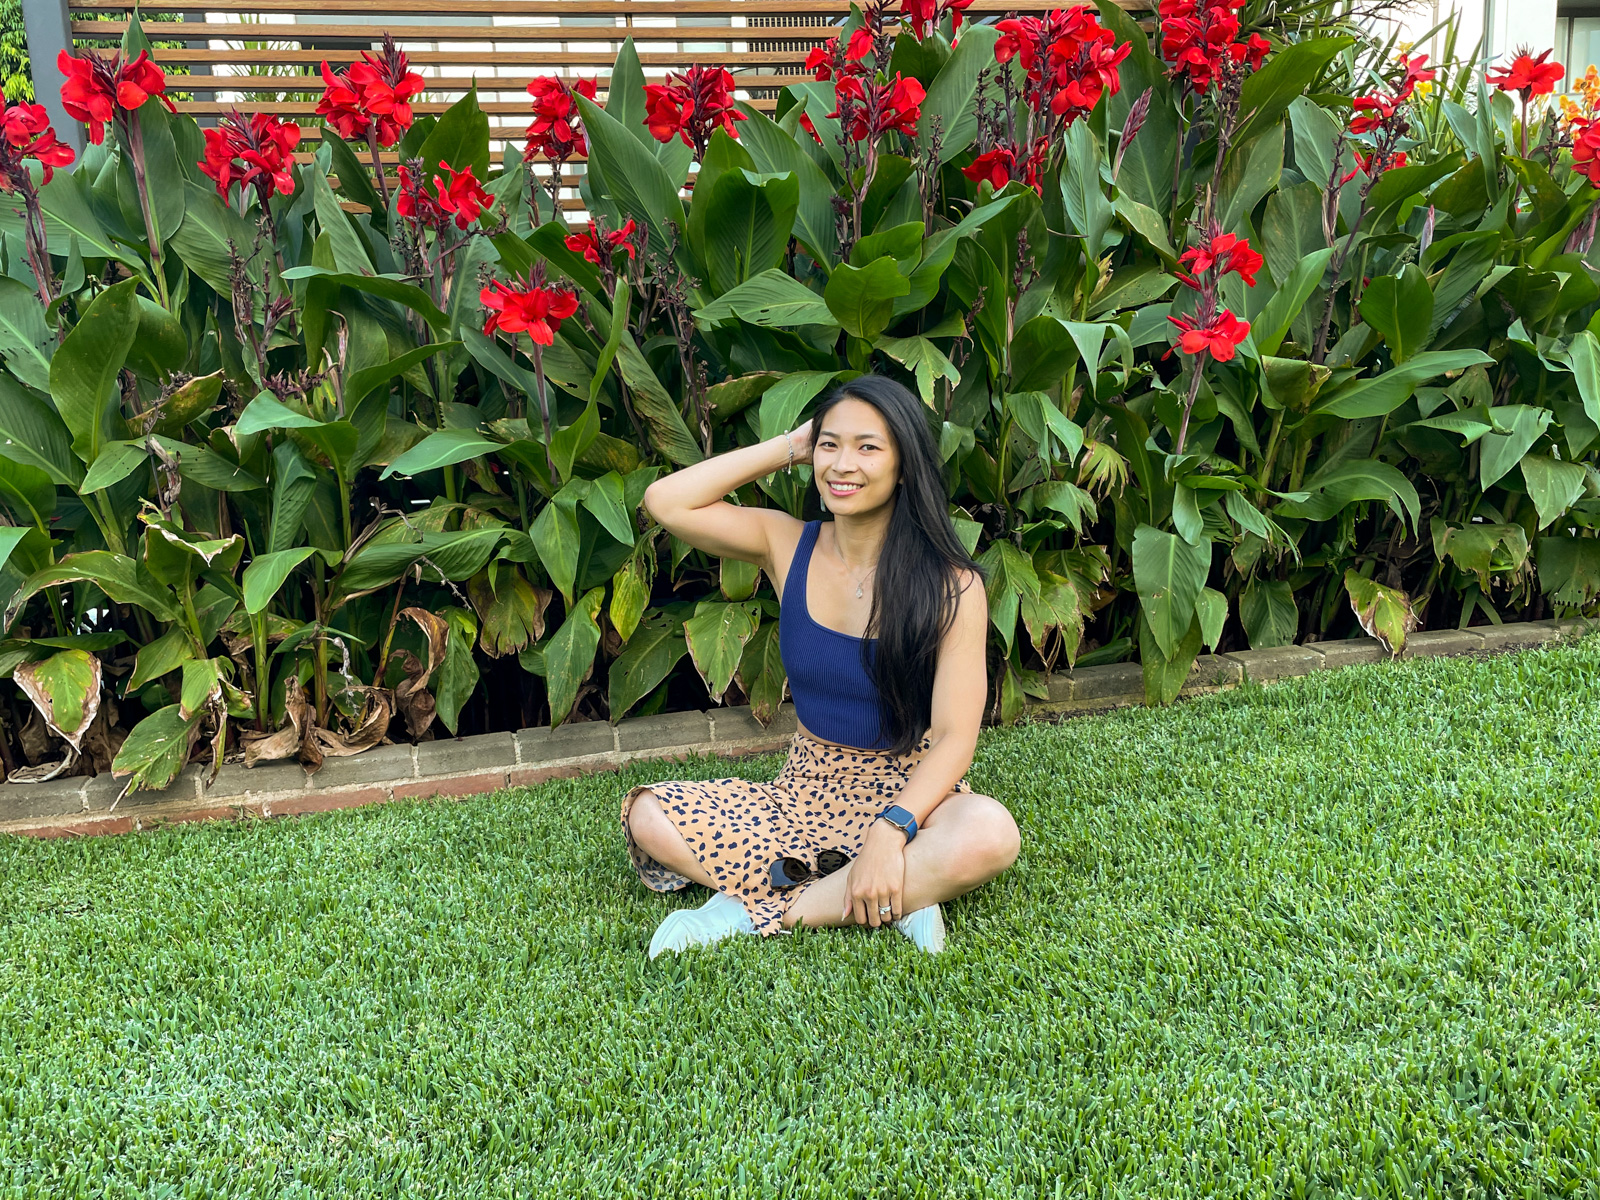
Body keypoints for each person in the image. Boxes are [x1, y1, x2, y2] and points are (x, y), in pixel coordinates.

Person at [622, 374, 1020, 958]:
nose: (843, 465)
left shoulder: (952, 586)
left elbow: (957, 739)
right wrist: (790, 445)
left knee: (990, 833)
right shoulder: (787, 544)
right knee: (651, 817)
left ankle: (758, 910)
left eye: (868, 447)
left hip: (914, 793)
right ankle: (896, 893)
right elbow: (666, 502)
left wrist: (892, 829)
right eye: (830, 445)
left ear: (904, 466)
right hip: (803, 792)